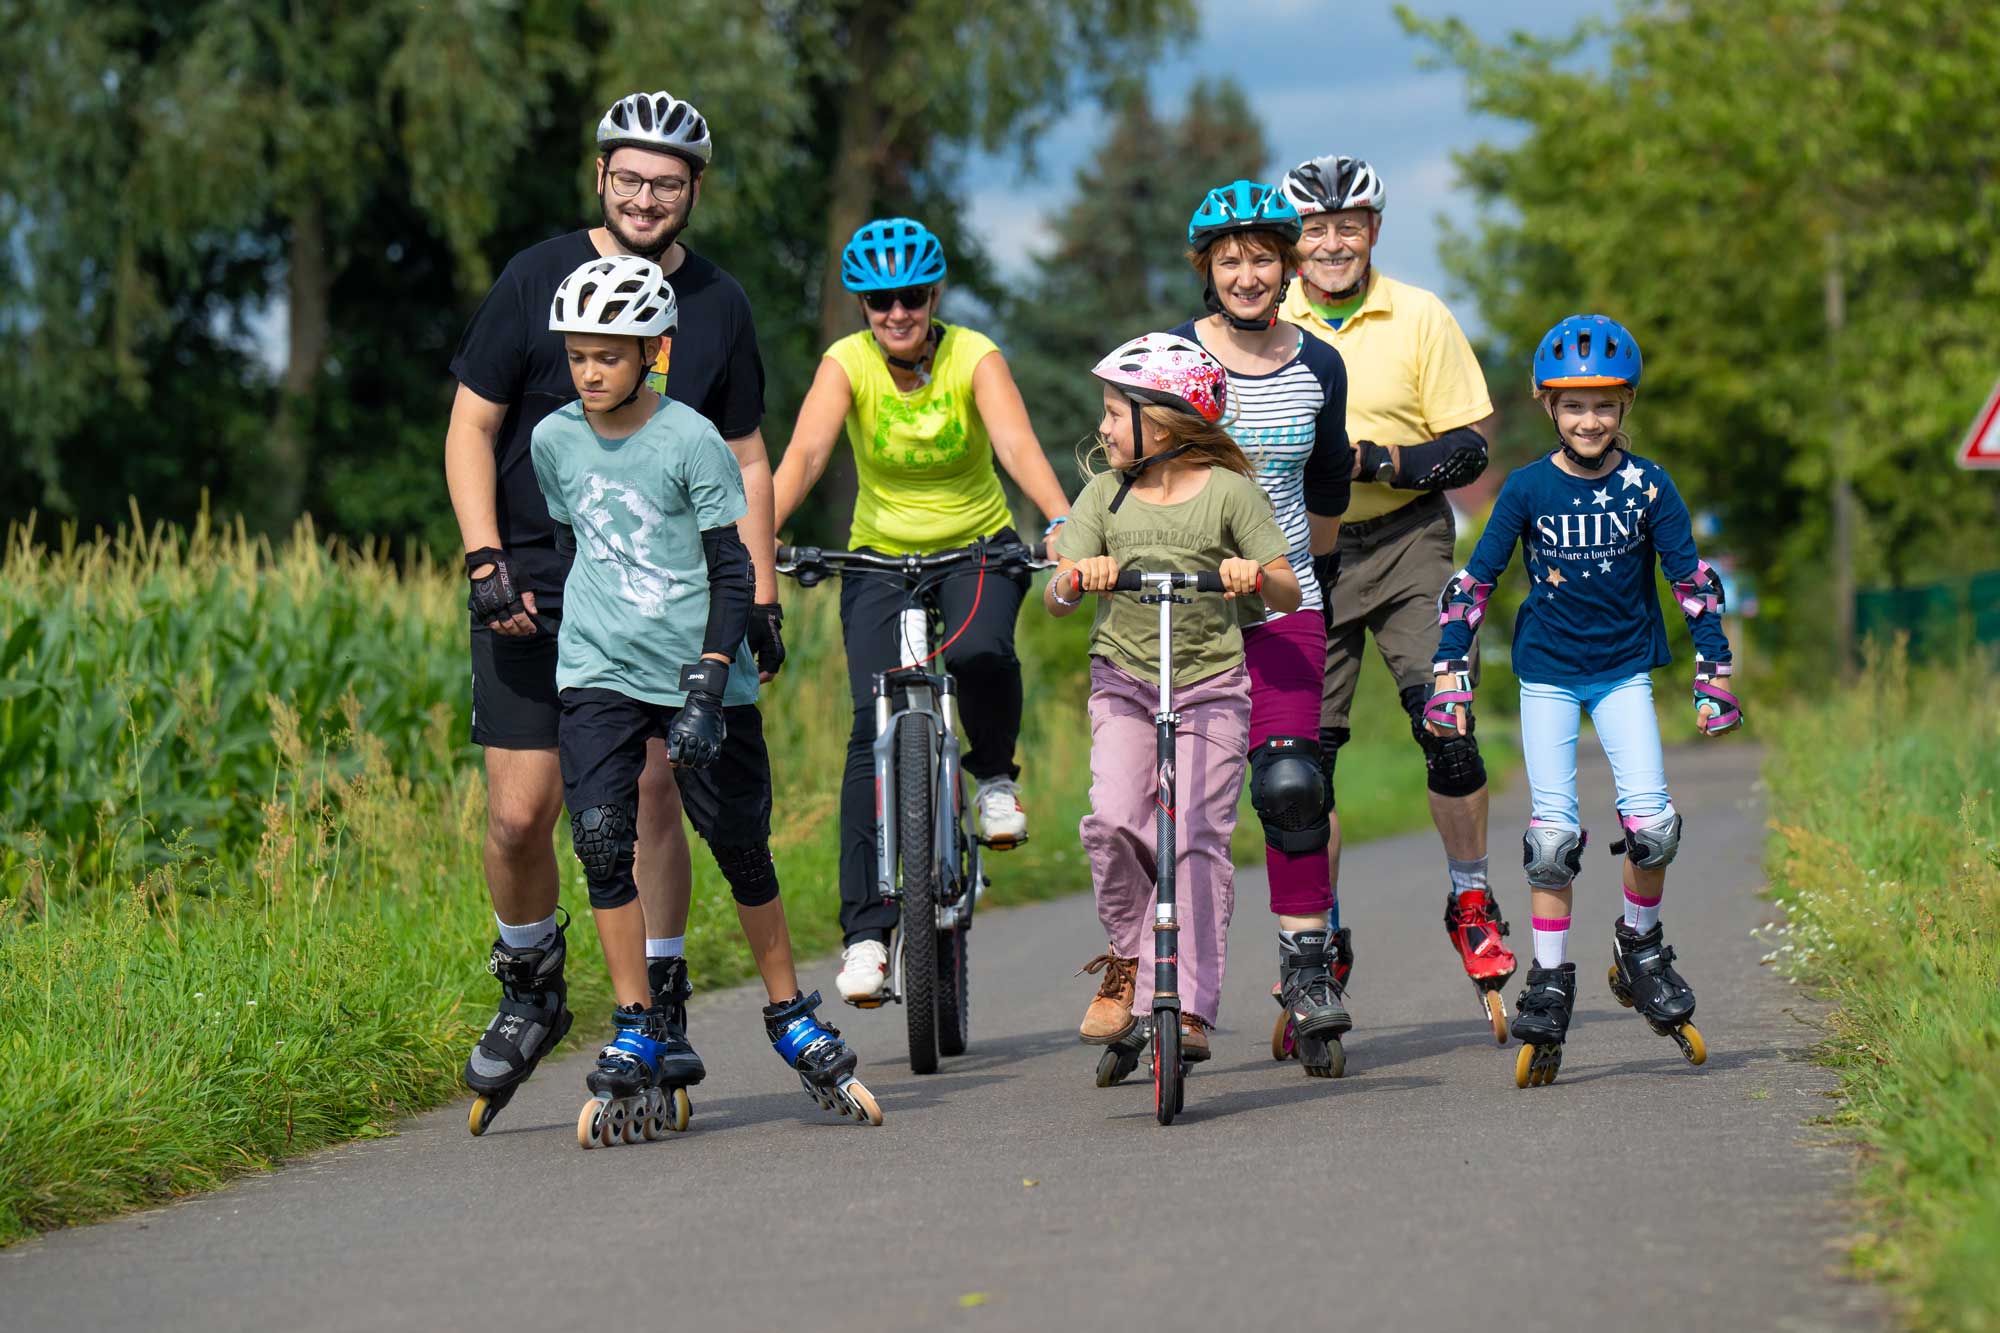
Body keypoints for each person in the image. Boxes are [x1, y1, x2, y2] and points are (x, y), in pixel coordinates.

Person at [447, 90, 778, 1131]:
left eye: (667, 183)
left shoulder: (717, 302)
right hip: (533, 573)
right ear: (600, 177)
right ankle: (530, 979)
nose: (646, 196)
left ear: (693, 192)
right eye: (628, 178)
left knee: (648, 791)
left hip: (658, 582)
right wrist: (482, 557)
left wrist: (757, 592)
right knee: (517, 813)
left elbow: (745, 456)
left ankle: (660, 1000)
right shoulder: (536, 277)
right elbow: (471, 423)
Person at [532, 255, 879, 1132]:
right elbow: (583, 544)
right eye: (577, 356)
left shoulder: (690, 436)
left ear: (654, 349)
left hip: (697, 670)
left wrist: (713, 674)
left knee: (738, 846)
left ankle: (789, 1011)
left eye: (607, 354)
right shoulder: (553, 440)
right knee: (604, 843)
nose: (589, 371)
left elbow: (730, 565)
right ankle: (637, 1023)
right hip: (599, 670)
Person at [1425, 314, 1742, 1084]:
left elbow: (1691, 580)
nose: (1589, 420)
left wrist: (1716, 671)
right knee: (1552, 838)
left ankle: (1640, 945)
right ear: (1548, 407)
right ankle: (1551, 975)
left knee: (1654, 826)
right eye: (1573, 405)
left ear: (1625, 405)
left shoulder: (1649, 485)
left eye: (1604, 404)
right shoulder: (1529, 487)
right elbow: (1475, 582)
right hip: (1547, 674)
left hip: (1624, 669)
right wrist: (1447, 673)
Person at [771, 216, 1072, 1005]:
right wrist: (757, 529)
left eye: (910, 297)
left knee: (979, 656)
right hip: (878, 557)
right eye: (879, 302)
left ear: (933, 296)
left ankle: (995, 776)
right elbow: (805, 454)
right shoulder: (847, 363)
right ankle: (867, 934)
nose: (896, 313)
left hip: (976, 546)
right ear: (863, 307)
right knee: (869, 725)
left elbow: (1014, 442)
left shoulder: (973, 355)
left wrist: (1062, 519)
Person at [1276, 153, 1516, 1021]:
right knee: (1305, 767)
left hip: (1410, 540)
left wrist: (1376, 459)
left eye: (1348, 226)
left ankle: (1472, 898)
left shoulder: (1419, 314)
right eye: (1315, 229)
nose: (1332, 244)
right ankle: (1319, 937)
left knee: (1445, 726)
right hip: (1305, 552)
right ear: (1292, 239)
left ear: (1374, 230)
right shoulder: (1270, 319)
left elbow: (1470, 448)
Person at [1051, 332, 1302, 1064]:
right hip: (1126, 681)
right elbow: (1057, 596)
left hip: (1211, 688)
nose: (1101, 427)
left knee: (1194, 838)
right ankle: (1128, 961)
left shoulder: (1230, 493)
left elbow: (1286, 588)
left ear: (1164, 421)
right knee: (1113, 821)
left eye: (1114, 412)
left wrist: (1250, 575)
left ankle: (1190, 1006)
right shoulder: (1106, 493)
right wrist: (1079, 573)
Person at [1169, 178, 1355, 1078]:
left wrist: (1309, 577)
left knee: (1291, 784)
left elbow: (1325, 492)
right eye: (1230, 259)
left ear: (1288, 267)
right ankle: (1159, 978)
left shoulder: (1320, 364)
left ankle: (1306, 968)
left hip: (1284, 603)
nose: (1247, 274)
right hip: (1186, 607)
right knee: (1179, 808)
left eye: (1263, 258)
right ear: (1208, 268)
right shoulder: (1172, 356)